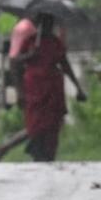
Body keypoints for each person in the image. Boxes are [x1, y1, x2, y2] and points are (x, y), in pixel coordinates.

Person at [10, 12, 86, 162]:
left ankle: (50, 154)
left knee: (52, 123)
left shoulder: (55, 42)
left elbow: (65, 65)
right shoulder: (30, 41)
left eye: (50, 23)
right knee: (36, 124)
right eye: (44, 22)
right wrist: (29, 56)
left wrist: (78, 87)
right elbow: (16, 61)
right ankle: (37, 152)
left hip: (52, 88)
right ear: (38, 24)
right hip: (34, 88)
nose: (47, 26)